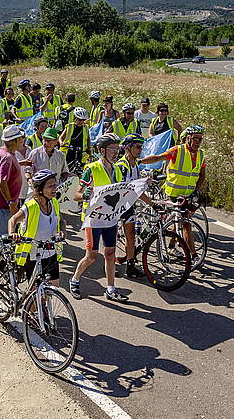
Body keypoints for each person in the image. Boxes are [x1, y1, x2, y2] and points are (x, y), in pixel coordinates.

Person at [70, 133, 127, 302]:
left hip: (110, 218)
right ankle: (75, 280)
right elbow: (76, 195)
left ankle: (110, 289)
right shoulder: (91, 169)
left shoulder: (117, 169)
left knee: (110, 253)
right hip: (93, 219)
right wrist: (85, 195)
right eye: (112, 149)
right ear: (102, 150)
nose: (116, 153)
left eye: (118, 149)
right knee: (92, 256)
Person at [141, 125, 207, 258]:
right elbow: (157, 158)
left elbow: (202, 176)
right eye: (195, 138)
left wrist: (196, 191)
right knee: (184, 224)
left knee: (178, 221)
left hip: (187, 194)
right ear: (188, 138)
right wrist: (138, 161)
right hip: (173, 194)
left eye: (200, 139)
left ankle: (171, 246)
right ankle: (193, 255)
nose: (198, 142)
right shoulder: (178, 150)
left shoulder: (201, 154)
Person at [8, 169, 65, 287]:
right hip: (34, 256)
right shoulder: (31, 206)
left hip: (51, 253)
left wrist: (63, 231)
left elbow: (61, 221)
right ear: (40, 189)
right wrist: (13, 233)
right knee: (36, 294)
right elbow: (12, 220)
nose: (54, 188)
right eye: (50, 186)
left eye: (55, 185)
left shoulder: (54, 202)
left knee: (53, 288)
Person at [115, 133, 151, 278]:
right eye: (137, 147)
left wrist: (151, 203)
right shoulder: (121, 166)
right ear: (128, 148)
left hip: (128, 206)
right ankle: (110, 264)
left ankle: (130, 265)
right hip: (116, 207)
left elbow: (137, 190)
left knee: (131, 235)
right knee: (110, 240)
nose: (140, 150)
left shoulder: (135, 165)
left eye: (141, 147)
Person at [0, 124, 25, 237]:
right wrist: (11, 203)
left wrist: (22, 163)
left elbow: (6, 170)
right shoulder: (7, 158)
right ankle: (2, 254)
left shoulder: (3, 152)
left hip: (3, 203)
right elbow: (2, 183)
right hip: (4, 204)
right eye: (20, 138)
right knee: (5, 237)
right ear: (13, 141)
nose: (22, 141)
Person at [26, 128, 70, 193]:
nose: (45, 143)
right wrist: (30, 181)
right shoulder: (35, 153)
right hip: (38, 191)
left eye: (49, 141)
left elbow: (65, 172)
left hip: (54, 191)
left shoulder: (60, 155)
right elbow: (27, 171)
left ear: (55, 142)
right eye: (44, 140)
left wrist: (63, 184)